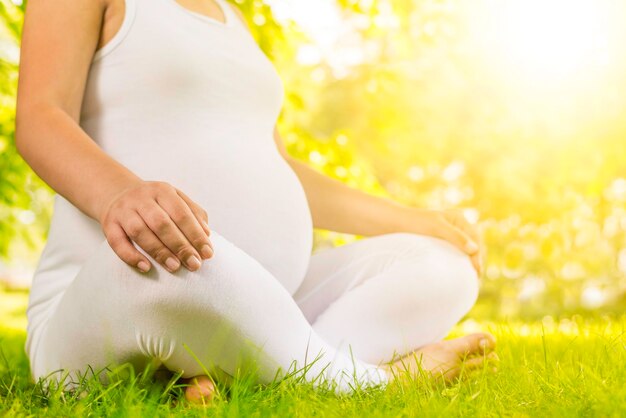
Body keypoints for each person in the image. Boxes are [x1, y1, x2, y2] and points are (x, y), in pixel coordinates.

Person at [15, 0, 497, 404]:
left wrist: (415, 220)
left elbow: (282, 173)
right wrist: (120, 195)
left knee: (443, 264)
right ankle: (372, 383)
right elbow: (41, 115)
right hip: (128, 289)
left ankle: (244, 376)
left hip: (267, 295)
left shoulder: (233, 18)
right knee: (163, 254)